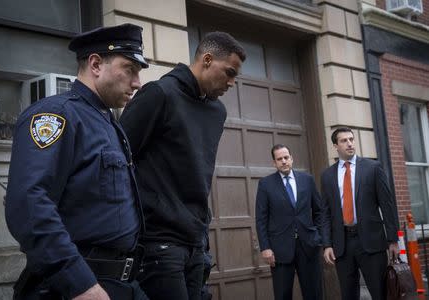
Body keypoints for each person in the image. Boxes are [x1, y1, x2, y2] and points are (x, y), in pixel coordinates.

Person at [5, 23, 149, 300]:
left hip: (122, 283)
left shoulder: (109, 123)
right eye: (130, 69)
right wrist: (79, 284)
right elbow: (29, 204)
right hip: (78, 287)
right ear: (96, 64)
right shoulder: (56, 115)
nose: (137, 83)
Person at [119, 31, 246, 300]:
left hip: (196, 242)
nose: (232, 82)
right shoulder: (159, 94)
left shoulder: (217, 111)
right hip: (158, 242)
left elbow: (197, 174)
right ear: (208, 60)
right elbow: (120, 162)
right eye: (229, 72)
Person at [321, 127, 400, 300]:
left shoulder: (373, 168)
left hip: (371, 241)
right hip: (342, 244)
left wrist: (393, 239)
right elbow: (325, 213)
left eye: (351, 139)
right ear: (335, 145)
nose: (349, 144)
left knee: (379, 292)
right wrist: (327, 244)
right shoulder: (327, 175)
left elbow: (387, 205)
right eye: (344, 141)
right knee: (348, 293)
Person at [255, 144, 323, 300]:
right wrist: (265, 247)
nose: (284, 161)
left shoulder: (307, 180)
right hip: (280, 250)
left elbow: (319, 211)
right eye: (279, 159)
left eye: (286, 157)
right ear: (274, 163)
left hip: (308, 246)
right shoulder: (265, 184)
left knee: (314, 293)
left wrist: (318, 237)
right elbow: (261, 219)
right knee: (282, 294)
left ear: (291, 159)